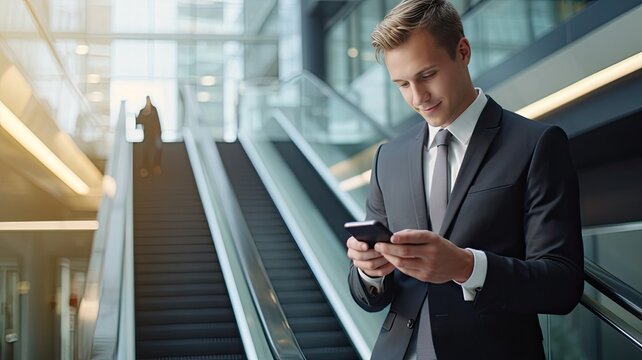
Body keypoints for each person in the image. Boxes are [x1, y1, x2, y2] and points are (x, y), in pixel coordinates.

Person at [346, 1, 584, 359]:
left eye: (427, 75)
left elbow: (562, 284)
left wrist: (466, 267)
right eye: (402, 84)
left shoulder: (536, 144)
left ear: (463, 51)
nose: (417, 97)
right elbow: (369, 297)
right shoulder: (387, 159)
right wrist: (370, 273)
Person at [136, 96, 163, 177]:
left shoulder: (154, 110)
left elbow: (158, 122)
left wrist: (159, 133)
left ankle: (156, 166)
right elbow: (138, 122)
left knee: (158, 148)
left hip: (155, 133)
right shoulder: (143, 111)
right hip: (147, 134)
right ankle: (144, 168)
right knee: (146, 150)